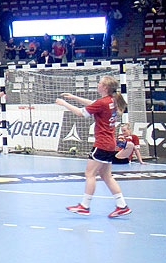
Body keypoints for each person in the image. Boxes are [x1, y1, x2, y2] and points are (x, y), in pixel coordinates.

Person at [56, 75, 131, 218]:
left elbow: (81, 113)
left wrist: (64, 103)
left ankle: (85, 205)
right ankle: (122, 206)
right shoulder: (112, 100)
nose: (98, 85)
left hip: (102, 144)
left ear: (105, 87)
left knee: (90, 174)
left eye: (100, 83)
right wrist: (74, 97)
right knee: (106, 175)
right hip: (110, 143)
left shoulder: (103, 102)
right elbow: (94, 103)